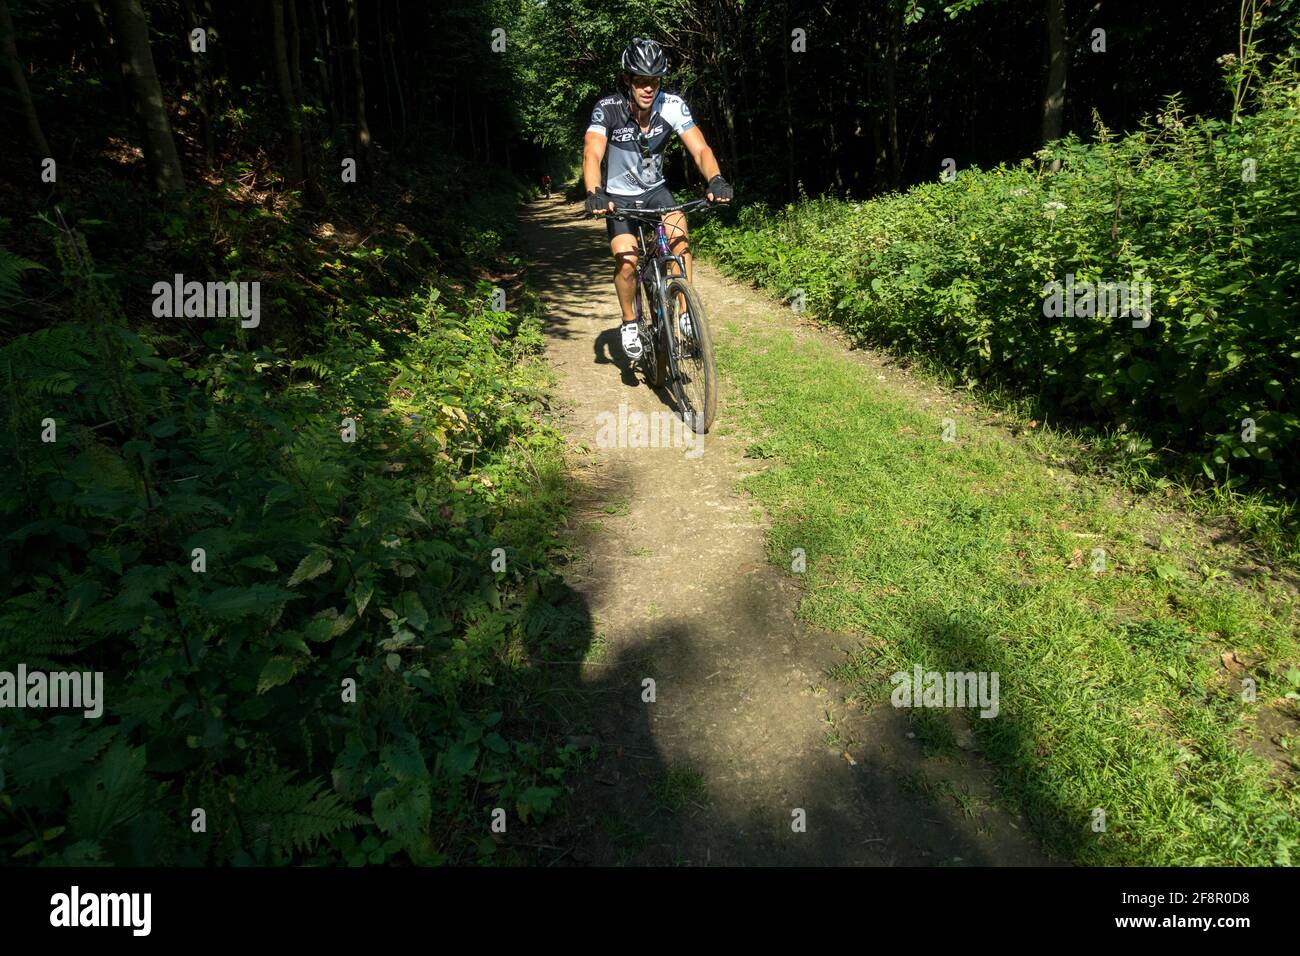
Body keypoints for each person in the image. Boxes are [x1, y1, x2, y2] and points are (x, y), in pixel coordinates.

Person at [582, 37, 732, 361]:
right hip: (617, 196)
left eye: (654, 81)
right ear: (627, 80)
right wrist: (594, 192)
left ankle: (683, 313)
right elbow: (592, 152)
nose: (648, 88)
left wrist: (715, 178)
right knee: (627, 261)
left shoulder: (673, 106)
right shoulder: (608, 109)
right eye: (641, 81)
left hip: (655, 191)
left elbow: (700, 148)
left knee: (680, 233)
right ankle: (630, 322)